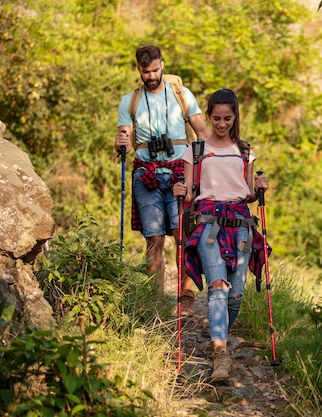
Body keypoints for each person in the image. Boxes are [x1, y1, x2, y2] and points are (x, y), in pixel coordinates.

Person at [173, 88, 270, 382]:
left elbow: (249, 194)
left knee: (236, 291)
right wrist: (180, 191)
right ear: (210, 115)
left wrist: (260, 188)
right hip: (207, 222)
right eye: (216, 118)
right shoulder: (196, 151)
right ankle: (220, 353)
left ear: (235, 116)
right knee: (218, 285)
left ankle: (221, 334)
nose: (222, 124)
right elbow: (190, 193)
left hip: (240, 222)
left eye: (227, 118)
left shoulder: (245, 151)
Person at [114, 44, 211, 315]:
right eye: (146, 72)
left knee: (184, 235)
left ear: (162, 65)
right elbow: (123, 140)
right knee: (153, 238)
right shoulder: (129, 101)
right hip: (146, 174)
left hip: (181, 170)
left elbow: (202, 132)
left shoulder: (182, 95)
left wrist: (212, 165)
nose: (151, 75)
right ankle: (155, 299)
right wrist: (120, 142)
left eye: (155, 70)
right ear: (139, 70)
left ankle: (186, 298)